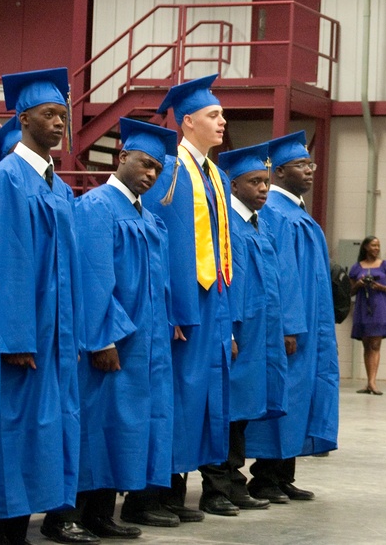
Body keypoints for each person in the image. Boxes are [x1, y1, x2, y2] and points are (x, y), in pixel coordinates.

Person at [44, 118, 181, 539]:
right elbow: (91, 277)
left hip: (142, 344)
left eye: (157, 169)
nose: (151, 174)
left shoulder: (145, 214)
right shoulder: (97, 207)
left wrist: (168, 323)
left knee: (123, 428)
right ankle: (63, 515)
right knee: (93, 426)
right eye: (144, 164)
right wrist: (101, 337)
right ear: (122, 158)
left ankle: (100, 513)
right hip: (109, 343)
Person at [0, 68, 87, 545]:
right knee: (8, 440)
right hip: (21, 342)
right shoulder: (5, 181)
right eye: (49, 114)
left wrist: (71, 335)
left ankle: (17, 532)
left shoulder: (57, 188)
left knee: (40, 443)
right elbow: (3, 262)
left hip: (53, 339)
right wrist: (14, 338)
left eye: (63, 115)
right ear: (22, 119)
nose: (59, 123)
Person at [121, 74, 233, 524]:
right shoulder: (167, 171)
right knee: (169, 398)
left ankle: (175, 491)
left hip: (212, 302)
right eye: (213, 114)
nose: (222, 121)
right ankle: (147, 496)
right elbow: (161, 248)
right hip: (180, 306)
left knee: (198, 400)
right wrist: (173, 309)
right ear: (187, 123)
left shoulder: (216, 175)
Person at [246, 131, 339, 503]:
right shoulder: (276, 215)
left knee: (303, 394)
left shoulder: (298, 214)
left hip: (311, 326)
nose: (310, 170)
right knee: (287, 393)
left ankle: (284, 474)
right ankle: (264, 477)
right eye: (301, 165)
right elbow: (278, 275)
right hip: (293, 327)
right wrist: (288, 324)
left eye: (310, 163)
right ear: (279, 172)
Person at [209, 143, 289, 510]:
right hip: (238, 335)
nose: (263, 189)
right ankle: (219, 489)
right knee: (229, 411)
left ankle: (235, 483)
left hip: (259, 335)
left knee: (243, 413)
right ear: (234, 184)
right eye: (254, 181)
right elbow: (226, 286)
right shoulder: (230, 229)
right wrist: (228, 331)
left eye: (266, 182)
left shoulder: (259, 227)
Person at [349, 236, 386, 395]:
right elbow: (349, 291)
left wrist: (380, 287)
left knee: (375, 344)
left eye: (378, 246)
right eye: (373, 245)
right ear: (366, 248)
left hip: (379, 307)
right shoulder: (357, 267)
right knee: (366, 344)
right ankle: (368, 382)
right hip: (363, 307)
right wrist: (359, 284)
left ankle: (372, 382)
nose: (376, 248)